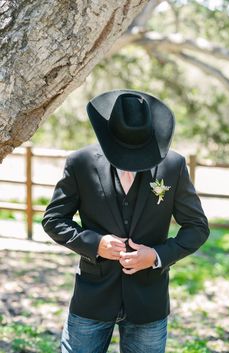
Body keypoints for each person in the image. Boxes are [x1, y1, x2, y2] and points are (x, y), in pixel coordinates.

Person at [42, 89, 209, 353]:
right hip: (92, 299)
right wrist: (95, 244)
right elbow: (53, 219)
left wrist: (156, 255)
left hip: (149, 302)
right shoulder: (80, 162)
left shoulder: (173, 165)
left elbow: (197, 227)